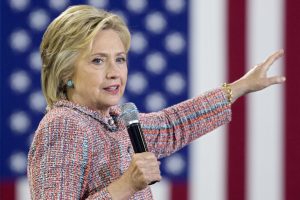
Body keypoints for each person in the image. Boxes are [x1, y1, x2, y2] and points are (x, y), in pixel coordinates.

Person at [27, 5, 286, 200]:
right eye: (97, 60)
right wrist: (126, 185)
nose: (114, 72)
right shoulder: (64, 126)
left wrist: (241, 86)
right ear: (65, 71)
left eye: (120, 59)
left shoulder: (115, 121)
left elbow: (172, 125)